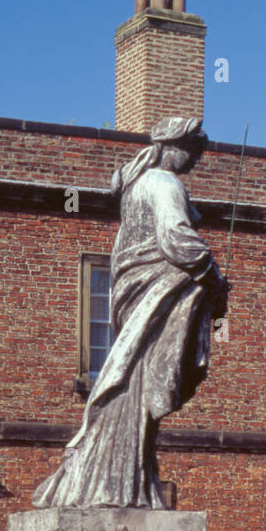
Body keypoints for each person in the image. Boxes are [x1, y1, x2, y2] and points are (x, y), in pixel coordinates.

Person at [33, 117, 227, 508]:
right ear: (174, 146)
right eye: (193, 153)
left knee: (130, 385)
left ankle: (127, 484)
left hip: (144, 293)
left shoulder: (136, 186)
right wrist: (213, 274)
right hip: (159, 296)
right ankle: (118, 487)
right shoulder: (164, 183)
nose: (194, 162)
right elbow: (175, 237)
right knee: (136, 387)